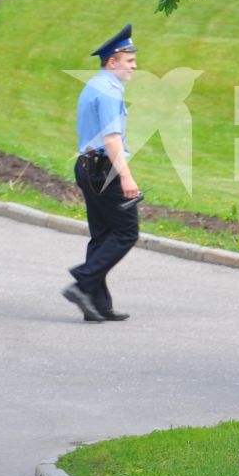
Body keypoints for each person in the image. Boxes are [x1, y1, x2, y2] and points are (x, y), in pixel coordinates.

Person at [62, 25, 141, 323]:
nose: (134, 66)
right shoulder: (108, 91)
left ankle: (97, 304)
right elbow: (111, 139)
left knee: (102, 235)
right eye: (129, 61)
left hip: (88, 166)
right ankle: (82, 281)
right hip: (104, 170)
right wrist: (127, 177)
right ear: (113, 62)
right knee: (126, 232)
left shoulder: (95, 84)